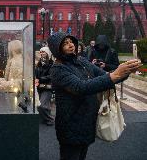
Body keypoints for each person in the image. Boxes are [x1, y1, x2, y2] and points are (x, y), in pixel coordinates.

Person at [47, 32, 142, 160]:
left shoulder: (81, 61)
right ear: (56, 49)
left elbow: (104, 76)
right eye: (65, 43)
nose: (70, 45)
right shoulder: (57, 69)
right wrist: (114, 75)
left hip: (87, 121)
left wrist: (125, 70)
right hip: (71, 124)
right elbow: (80, 87)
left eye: (70, 41)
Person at [35, 46, 54, 126]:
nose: (42, 53)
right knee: (42, 105)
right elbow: (36, 74)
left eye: (44, 52)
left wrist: (39, 79)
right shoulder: (39, 63)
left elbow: (51, 76)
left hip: (47, 87)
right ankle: (45, 118)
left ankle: (50, 119)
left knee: (42, 105)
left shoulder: (51, 64)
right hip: (39, 87)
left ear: (47, 53)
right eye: (41, 52)